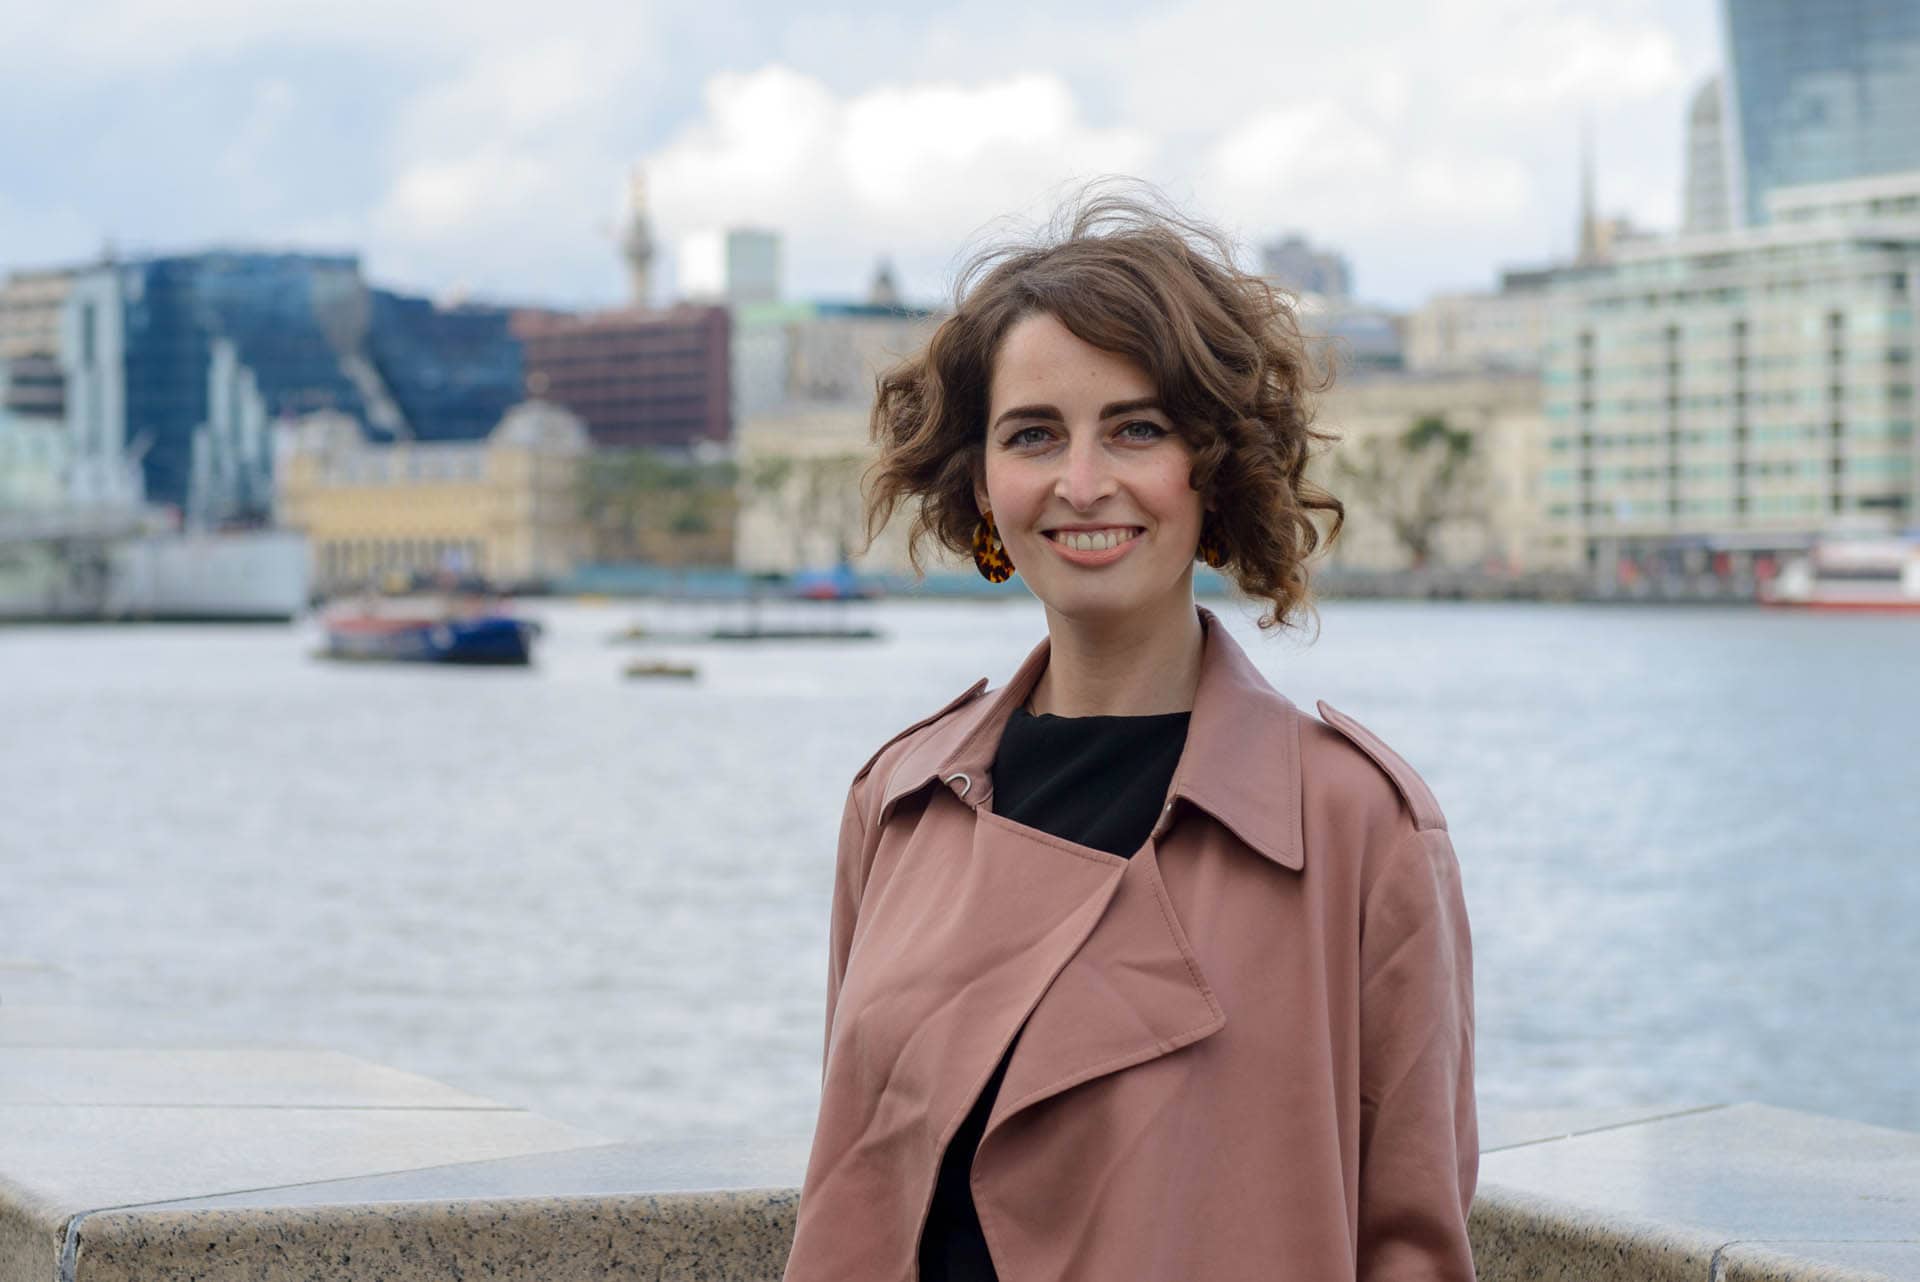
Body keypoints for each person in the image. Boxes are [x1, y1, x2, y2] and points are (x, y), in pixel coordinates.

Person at [781, 186, 1477, 1282]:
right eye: (1033, 435)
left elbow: (1412, 1246)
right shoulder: (896, 805)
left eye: (1136, 430)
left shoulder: (1360, 830)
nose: (1083, 483)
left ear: (1216, 466)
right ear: (982, 486)